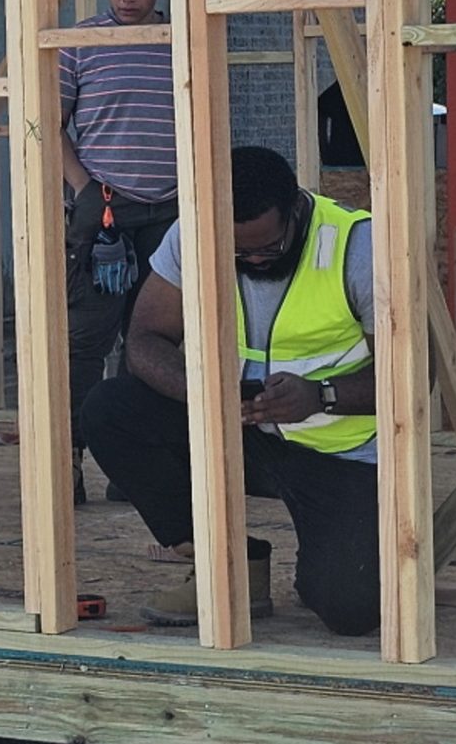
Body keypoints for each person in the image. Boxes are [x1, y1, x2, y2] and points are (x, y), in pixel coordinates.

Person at [82, 145, 380, 636]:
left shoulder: (358, 248)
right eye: (238, 251)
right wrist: (203, 393)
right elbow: (145, 340)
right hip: (239, 432)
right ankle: (228, 564)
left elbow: (415, 377)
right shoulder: (195, 234)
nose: (254, 259)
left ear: (296, 209)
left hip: (337, 452)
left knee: (350, 609)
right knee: (110, 410)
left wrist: (321, 396)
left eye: (269, 247)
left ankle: (355, 550)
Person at [60, 0, 178, 504]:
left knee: (149, 342)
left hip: (169, 209)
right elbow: (47, 123)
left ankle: (131, 466)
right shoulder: (81, 42)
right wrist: (85, 190)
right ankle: (68, 461)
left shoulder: (182, 38)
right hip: (104, 208)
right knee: (86, 340)